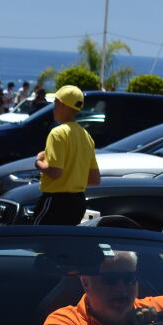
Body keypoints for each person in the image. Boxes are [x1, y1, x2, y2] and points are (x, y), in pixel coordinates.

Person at [32, 85, 100, 225]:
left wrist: (38, 162)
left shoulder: (57, 133)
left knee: (36, 242)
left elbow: (56, 172)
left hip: (55, 202)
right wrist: (72, 179)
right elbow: (94, 179)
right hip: (78, 203)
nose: (54, 107)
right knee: (63, 244)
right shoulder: (86, 136)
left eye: (55, 103)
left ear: (61, 104)